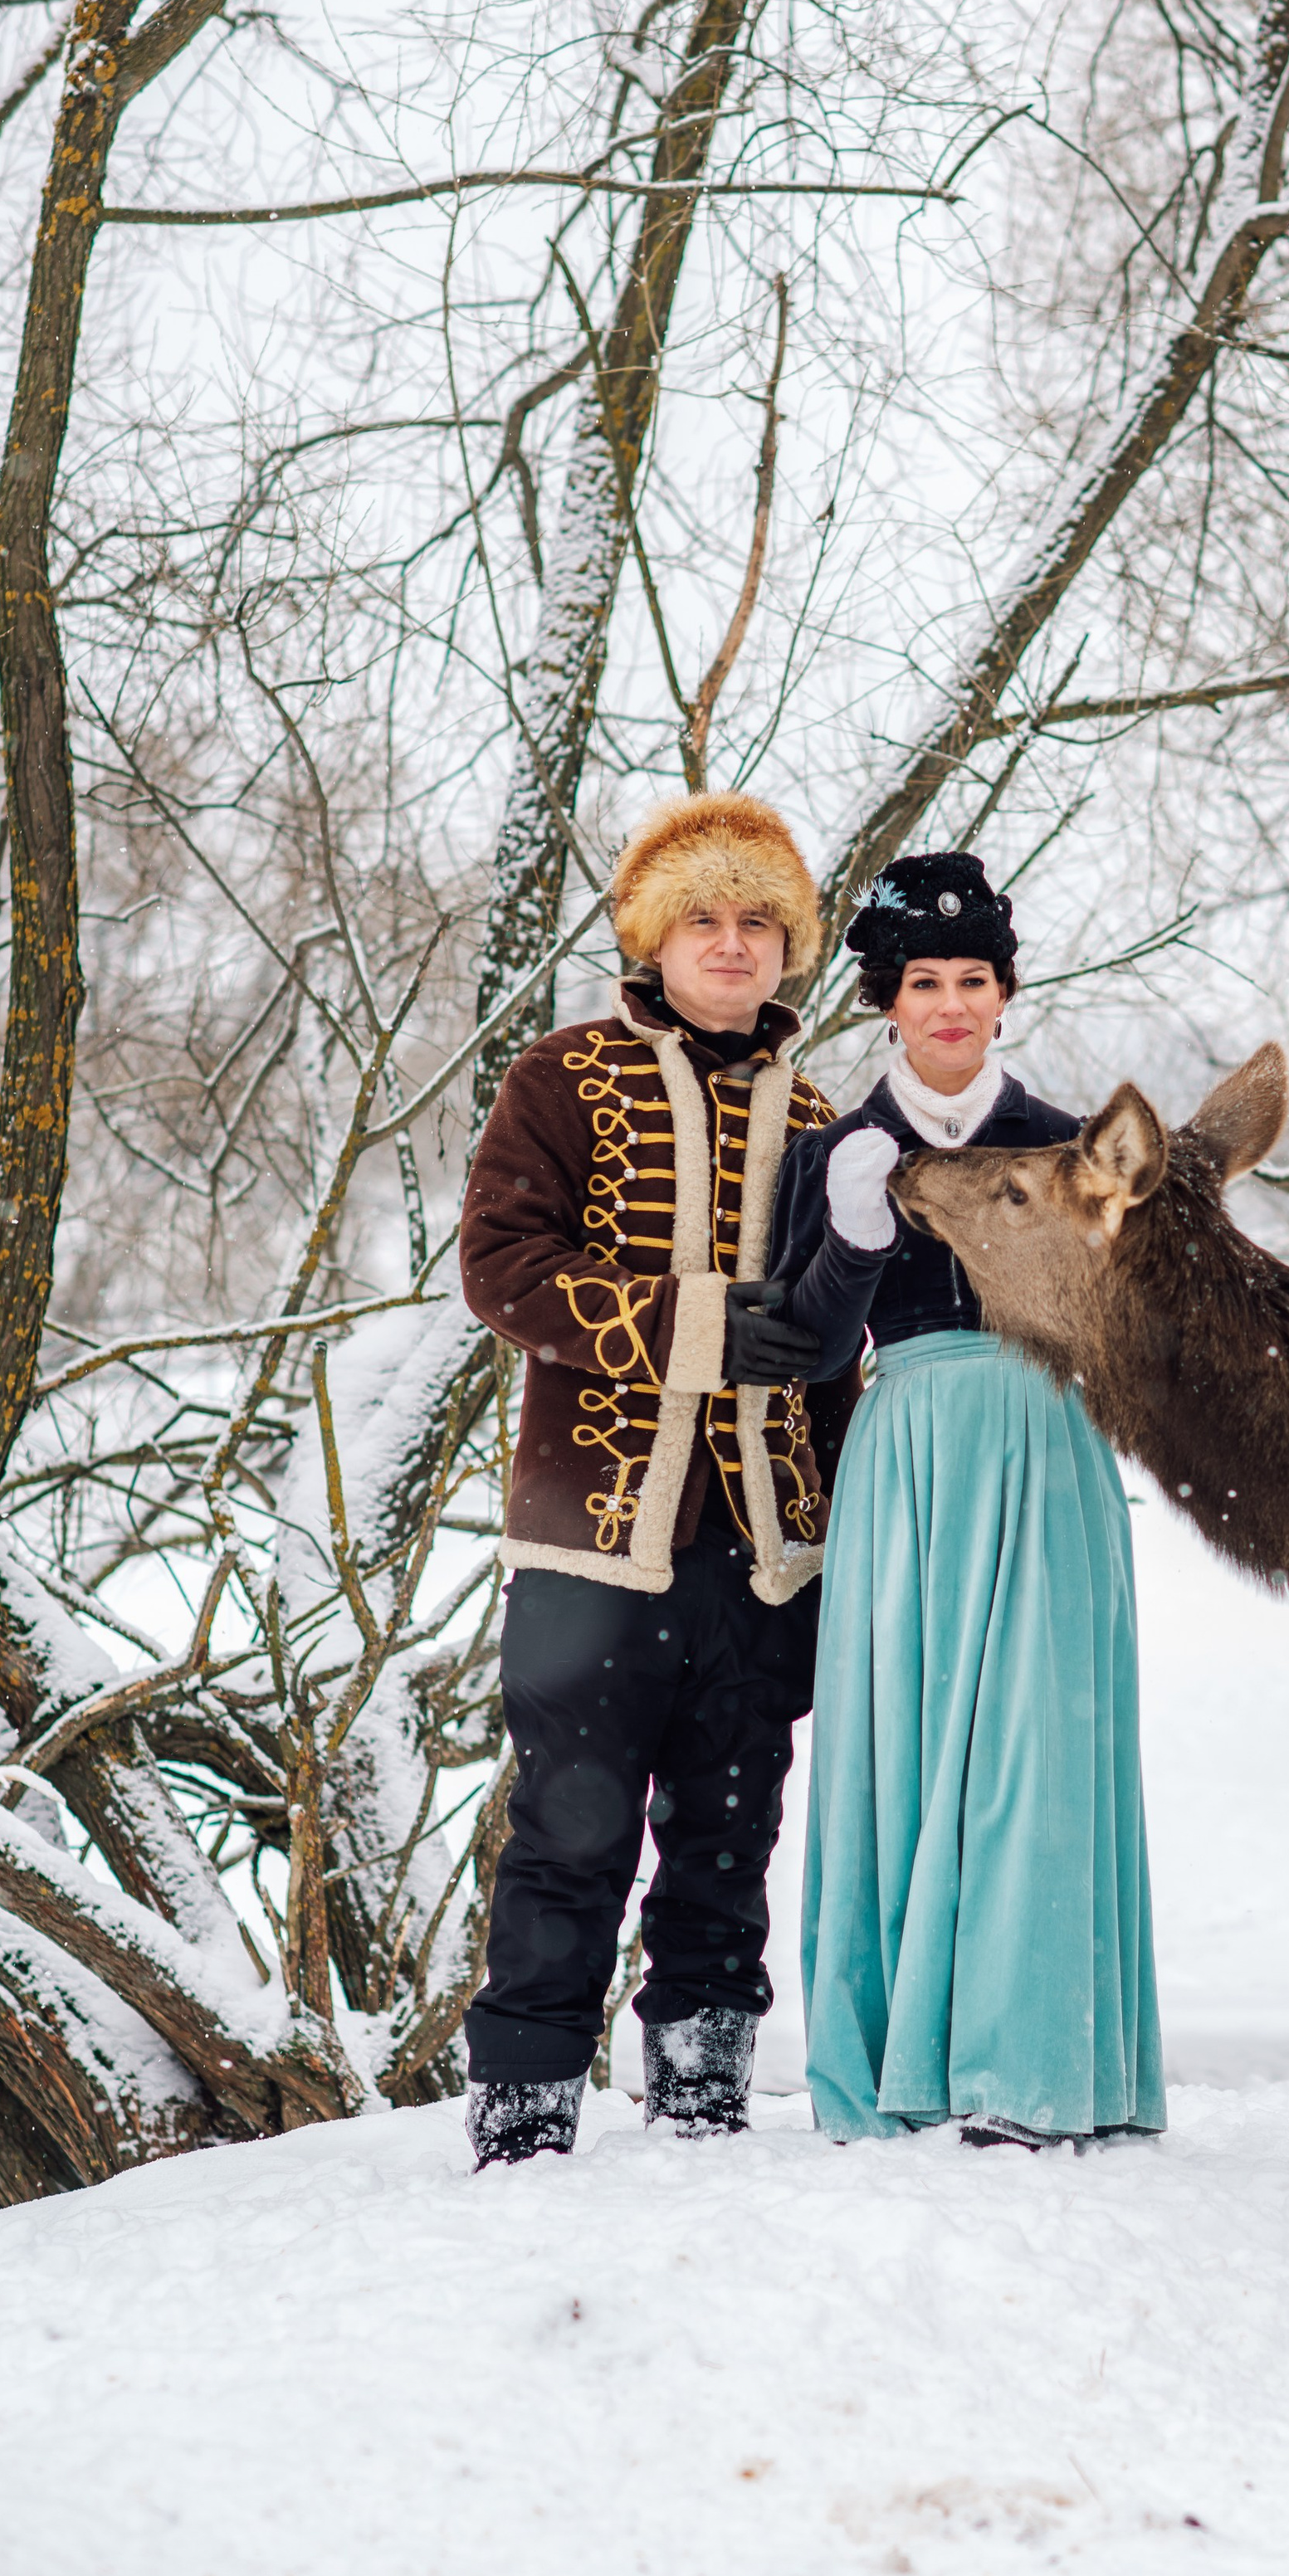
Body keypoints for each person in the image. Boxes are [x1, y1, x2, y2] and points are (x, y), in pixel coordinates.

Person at [456, 790, 844, 2164]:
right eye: (704, 919)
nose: (731, 945)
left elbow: (847, 1350)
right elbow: (501, 1270)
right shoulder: (561, 1079)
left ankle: (701, 2102)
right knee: (568, 1830)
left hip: (767, 1547)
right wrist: (693, 1324)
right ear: (654, 937)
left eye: (757, 921)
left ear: (790, 946)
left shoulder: (836, 1119)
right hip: (590, 1539)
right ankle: (523, 2115)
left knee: (731, 1836)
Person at [769, 851, 1164, 2147]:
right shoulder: (837, 1150)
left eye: (974, 979)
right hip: (909, 1456)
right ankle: (896, 2063)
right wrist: (847, 1251)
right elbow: (811, 1355)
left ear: (1004, 991)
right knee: (904, 1750)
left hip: (1046, 1446)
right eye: (924, 980)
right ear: (888, 996)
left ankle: (1027, 2070)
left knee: (1036, 1753)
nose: (950, 1003)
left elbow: (1130, 1331)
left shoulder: (1064, 1142)